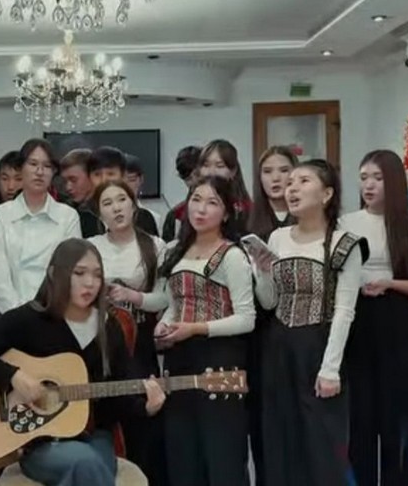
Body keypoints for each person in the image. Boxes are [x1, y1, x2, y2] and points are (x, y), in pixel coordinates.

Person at [0, 239, 166, 486]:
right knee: (86, 465)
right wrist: (13, 377)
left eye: (97, 275)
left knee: (91, 464)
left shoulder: (109, 327)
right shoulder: (30, 319)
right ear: (55, 274)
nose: (90, 283)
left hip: (93, 437)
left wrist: (146, 407)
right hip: (40, 443)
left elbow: (116, 401)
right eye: (79, 273)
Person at [253, 159, 368, 486]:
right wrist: (262, 271)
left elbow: (345, 311)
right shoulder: (277, 238)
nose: (292, 188)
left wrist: (330, 369)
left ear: (326, 194)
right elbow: (269, 301)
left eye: (303, 181)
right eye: (290, 182)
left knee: (321, 442)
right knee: (280, 436)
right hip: (278, 346)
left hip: (319, 346)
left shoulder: (345, 243)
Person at [341, 150, 408, 486]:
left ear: (394, 182)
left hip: (398, 325)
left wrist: (390, 283)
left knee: (397, 424)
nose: (368, 185)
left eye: (377, 178)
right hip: (356, 324)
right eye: (364, 178)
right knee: (360, 423)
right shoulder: (345, 224)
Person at [155, 175, 255, 486]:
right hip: (179, 358)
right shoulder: (174, 251)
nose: (201, 209)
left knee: (222, 456)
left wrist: (196, 328)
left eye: (212, 203)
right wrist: (163, 326)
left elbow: (246, 318)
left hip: (220, 360)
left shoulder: (233, 255)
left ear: (225, 214)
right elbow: (173, 304)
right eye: (196, 200)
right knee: (183, 456)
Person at [88, 180, 168, 485]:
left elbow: (164, 298)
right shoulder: (91, 246)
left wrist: (133, 296)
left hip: (141, 338)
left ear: (134, 205)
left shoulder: (154, 245)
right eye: (107, 203)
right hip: (101, 338)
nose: (116, 208)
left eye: (122, 200)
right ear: (99, 214)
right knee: (107, 414)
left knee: (143, 412)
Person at [244, 145, 298, 486]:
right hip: (260, 332)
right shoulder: (248, 223)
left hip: (301, 328)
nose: (276, 178)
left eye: (283, 170)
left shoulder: (308, 220)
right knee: (264, 419)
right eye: (268, 172)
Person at [0, 138, 81, 314]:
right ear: (21, 168)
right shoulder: (0, 216)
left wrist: (50, 312)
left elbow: (70, 272)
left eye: (47, 166)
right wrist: (20, 317)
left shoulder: (68, 216)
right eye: (33, 164)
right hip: (10, 316)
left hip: (56, 313)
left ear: (53, 172)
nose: (39, 172)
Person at [82, 147, 158, 237]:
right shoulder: (82, 217)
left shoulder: (142, 217)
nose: (104, 180)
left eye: (110, 174)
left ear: (123, 176)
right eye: (97, 174)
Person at [196, 140, 253, 234]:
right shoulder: (190, 207)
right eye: (206, 165)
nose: (211, 172)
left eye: (219, 166)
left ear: (233, 171)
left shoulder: (248, 210)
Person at [162, 145, 203, 242]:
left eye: (198, 174)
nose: (195, 182)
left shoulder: (228, 209)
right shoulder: (175, 216)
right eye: (188, 178)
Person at [123, 154, 163, 234]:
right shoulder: (104, 218)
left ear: (141, 180)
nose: (125, 186)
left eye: (131, 180)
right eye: (120, 181)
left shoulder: (153, 218)